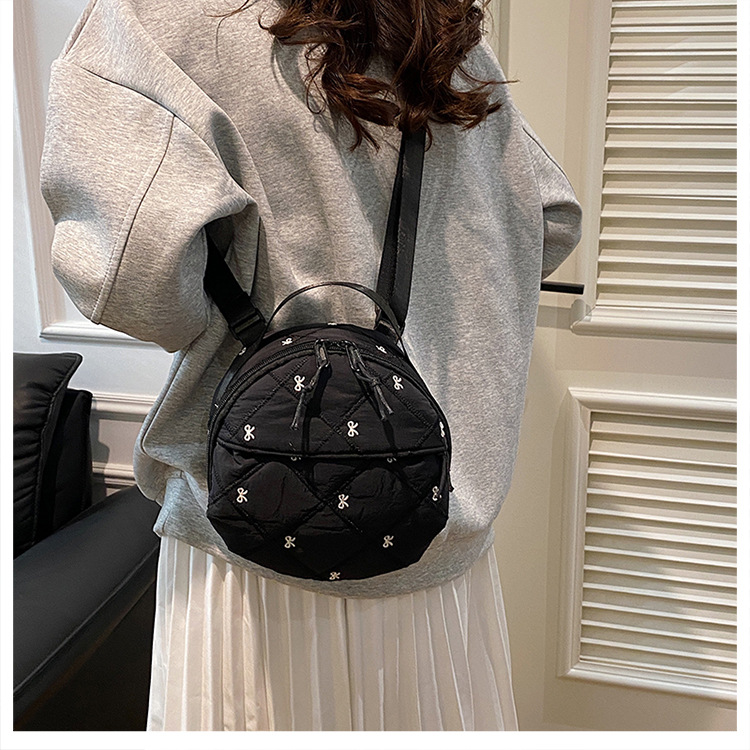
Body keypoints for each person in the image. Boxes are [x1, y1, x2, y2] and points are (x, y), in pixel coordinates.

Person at [39, 0, 582, 731]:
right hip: (439, 536)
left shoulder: (151, 21)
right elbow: (551, 217)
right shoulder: (437, 27)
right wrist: (436, 315)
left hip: (255, 555)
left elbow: (133, 282)